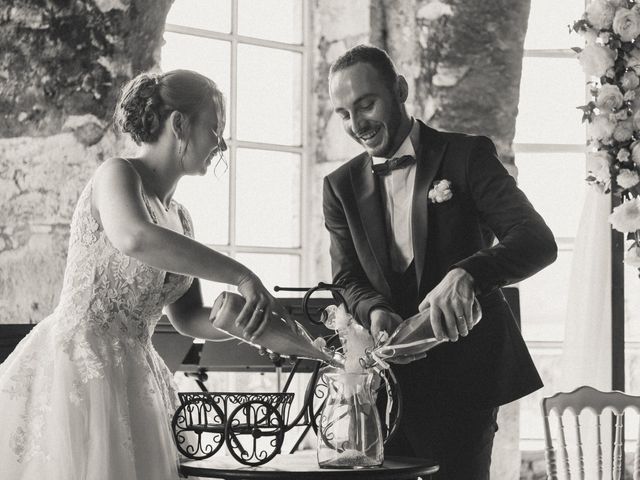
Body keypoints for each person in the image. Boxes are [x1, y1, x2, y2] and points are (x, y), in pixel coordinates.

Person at [0, 69, 291, 480]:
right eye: (215, 128)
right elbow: (134, 237)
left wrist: (251, 327)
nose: (221, 143)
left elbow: (188, 318)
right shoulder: (117, 175)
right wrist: (241, 274)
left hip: (140, 376)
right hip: (79, 366)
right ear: (179, 125)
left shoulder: (182, 219)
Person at [322, 45, 557, 479]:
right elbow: (346, 277)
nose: (357, 125)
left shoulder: (466, 156)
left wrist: (469, 272)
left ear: (400, 90)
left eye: (366, 104)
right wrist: (373, 308)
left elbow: (537, 239)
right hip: (382, 387)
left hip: (464, 381)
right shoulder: (339, 187)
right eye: (343, 113)